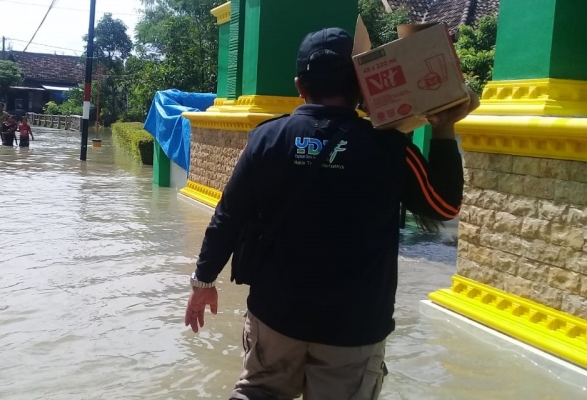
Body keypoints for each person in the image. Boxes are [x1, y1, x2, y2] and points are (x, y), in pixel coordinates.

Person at [183, 27, 479, 400]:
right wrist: (443, 130)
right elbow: (444, 206)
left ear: (299, 85)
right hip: (353, 328)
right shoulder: (389, 148)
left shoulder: (266, 139)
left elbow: (228, 217)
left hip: (276, 315)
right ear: (363, 86)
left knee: (257, 392)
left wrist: (203, 283)